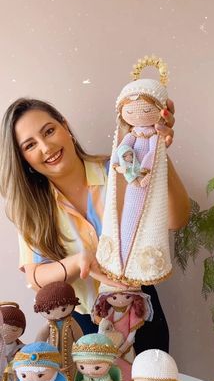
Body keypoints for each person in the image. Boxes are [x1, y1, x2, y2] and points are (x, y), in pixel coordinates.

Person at [0, 98, 190, 350]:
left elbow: (177, 219)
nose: (46, 147)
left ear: (65, 127)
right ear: (23, 158)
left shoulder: (120, 170)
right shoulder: (30, 207)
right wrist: (79, 261)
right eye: (30, 145)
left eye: (49, 131)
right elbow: (37, 277)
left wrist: (159, 154)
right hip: (81, 323)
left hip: (139, 310)